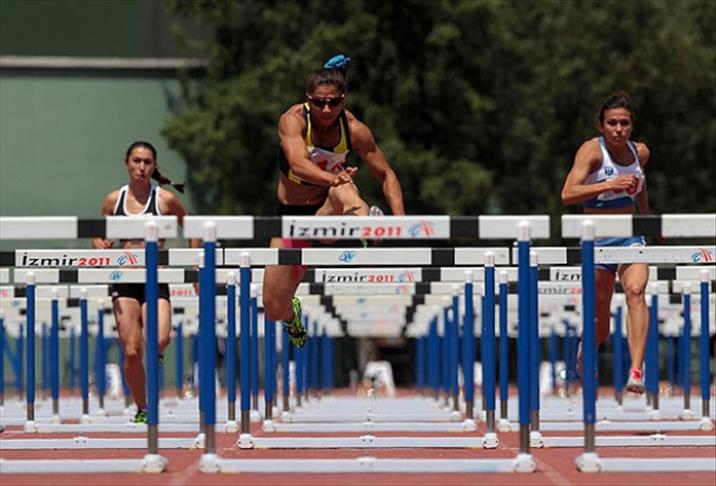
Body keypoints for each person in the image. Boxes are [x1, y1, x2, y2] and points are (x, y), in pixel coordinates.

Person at [262, 55, 406, 347]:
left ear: (343, 99)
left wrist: (401, 222)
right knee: (273, 307)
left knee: (346, 191)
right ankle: (292, 314)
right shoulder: (293, 121)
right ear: (308, 99)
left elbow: (386, 174)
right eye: (319, 103)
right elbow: (299, 164)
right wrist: (332, 177)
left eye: (333, 102)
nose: (326, 109)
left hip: (327, 209)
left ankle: (369, 230)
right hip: (291, 217)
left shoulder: (353, 129)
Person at [92, 141, 199, 423]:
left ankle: (156, 356)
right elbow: (98, 233)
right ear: (127, 163)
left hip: (155, 276)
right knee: (131, 350)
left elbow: (192, 226)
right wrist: (100, 244)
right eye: (136, 161)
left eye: (147, 162)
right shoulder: (113, 200)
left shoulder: (164, 200)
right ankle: (142, 408)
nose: (141, 167)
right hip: (125, 279)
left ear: (154, 166)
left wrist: (196, 265)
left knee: (159, 339)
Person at [561, 91, 652, 395]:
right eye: (612, 123)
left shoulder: (640, 152)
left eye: (624, 123)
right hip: (597, 239)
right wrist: (610, 184)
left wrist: (648, 218)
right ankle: (587, 347)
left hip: (630, 235)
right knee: (601, 327)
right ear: (601, 125)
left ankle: (636, 371)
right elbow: (567, 193)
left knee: (636, 292)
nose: (618, 129)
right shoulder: (592, 151)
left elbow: (640, 184)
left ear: (632, 125)